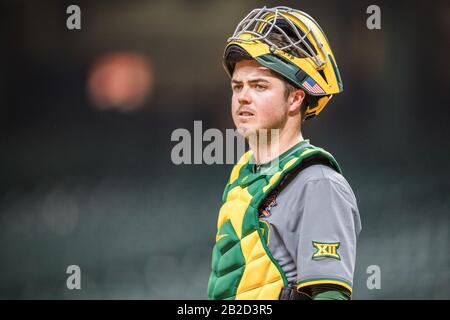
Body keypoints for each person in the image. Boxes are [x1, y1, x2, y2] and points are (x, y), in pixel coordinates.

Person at [207, 6, 362, 300]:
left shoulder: (317, 183)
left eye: (259, 86)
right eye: (237, 86)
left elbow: (329, 295)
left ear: (295, 99)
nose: (242, 96)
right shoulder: (243, 175)